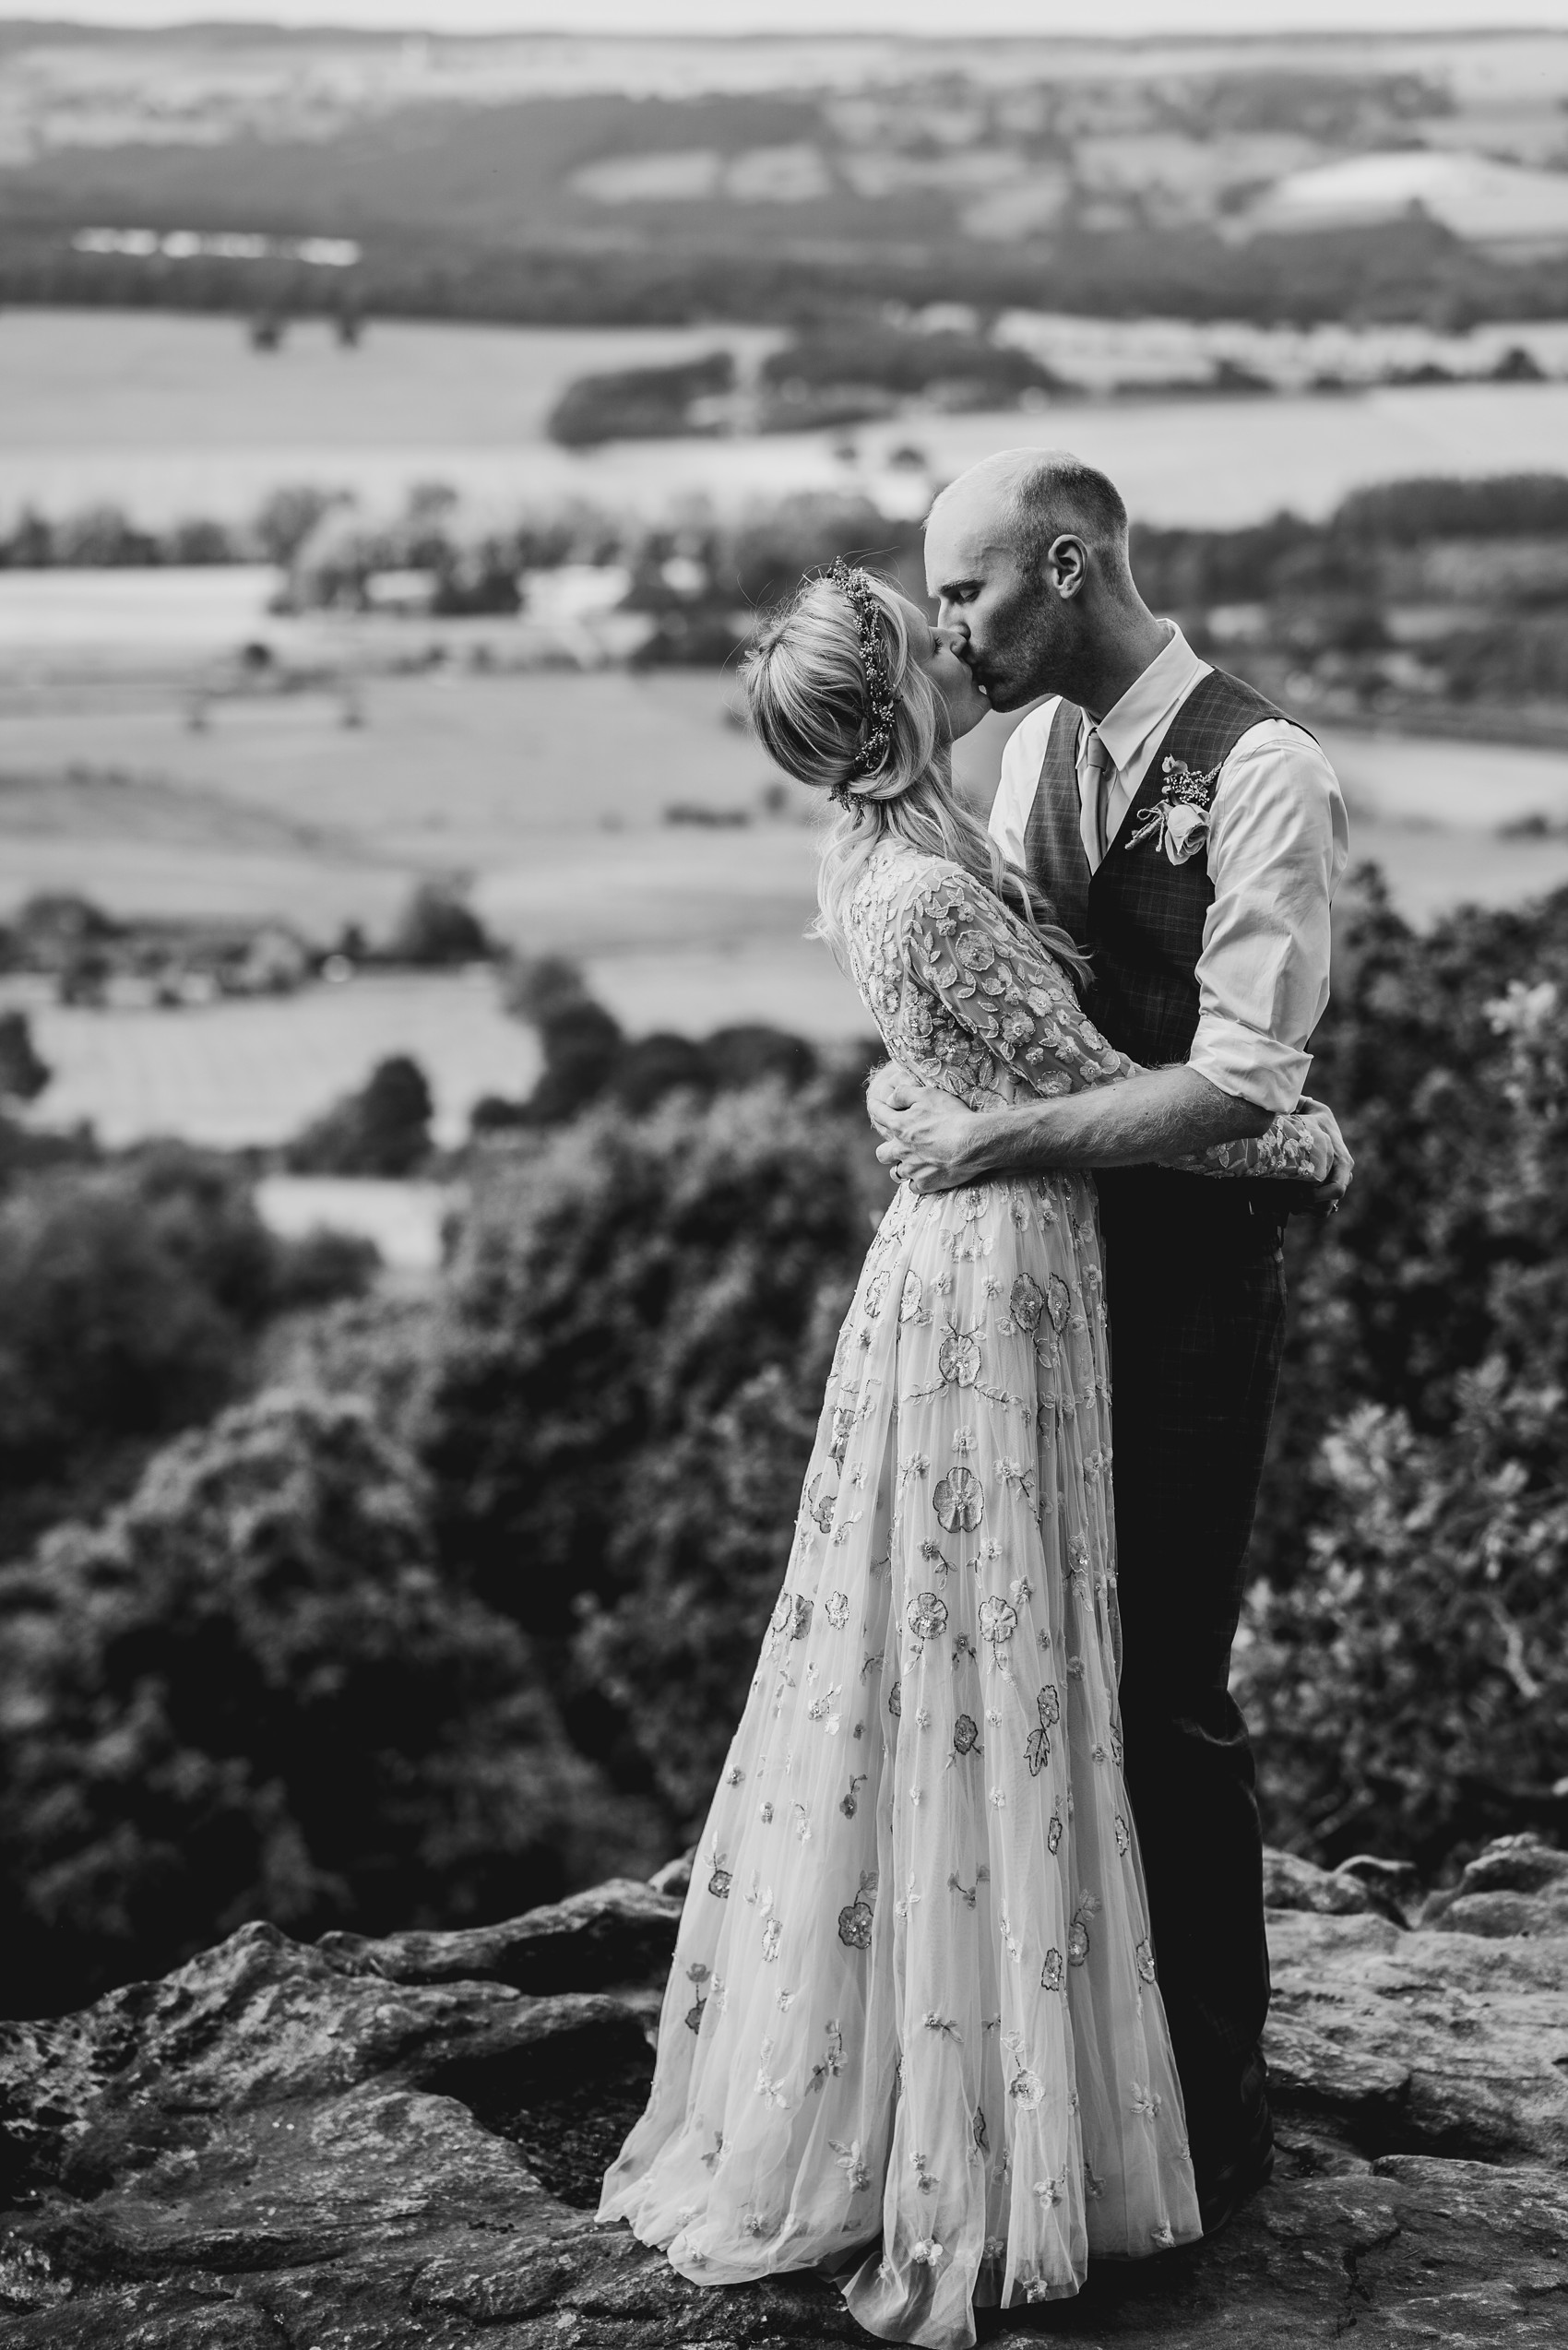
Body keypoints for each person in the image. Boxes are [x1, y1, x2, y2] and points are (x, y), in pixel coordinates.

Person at [600, 558, 1336, 2350]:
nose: (957, 633)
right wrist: (1299, 1141)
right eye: (925, 621)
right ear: (893, 697)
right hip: (1003, 1284)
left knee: (1032, 1669)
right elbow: (1082, 1087)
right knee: (998, 1676)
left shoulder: (937, 833)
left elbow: (988, 1080)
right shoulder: (930, 880)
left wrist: (939, 1107)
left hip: (1017, 1264)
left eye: (959, 596)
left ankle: (1095, 2076)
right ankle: (1010, 2112)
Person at [867, 449, 1352, 2241]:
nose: (950, 630)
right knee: (1044, 1669)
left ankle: (1215, 2116)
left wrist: (999, 1142)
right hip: (1041, 1291)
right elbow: (1004, 991)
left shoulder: (1265, 770)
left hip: (1191, 1287)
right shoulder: (1030, 763)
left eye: (971, 593)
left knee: (1164, 1690)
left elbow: (1242, 1072)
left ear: (1068, 564)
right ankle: (1075, 2074)